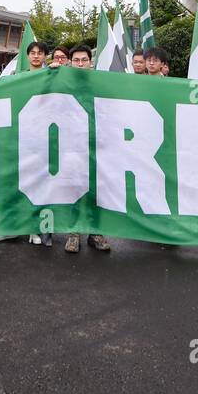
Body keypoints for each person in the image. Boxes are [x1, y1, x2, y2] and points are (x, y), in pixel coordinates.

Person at [57, 45, 110, 254]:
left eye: (84, 60)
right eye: (76, 60)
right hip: (71, 145)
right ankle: (73, 233)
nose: (80, 64)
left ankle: (95, 232)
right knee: (74, 189)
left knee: (97, 190)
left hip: (97, 144)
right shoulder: (63, 82)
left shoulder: (101, 84)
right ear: (70, 62)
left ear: (91, 62)